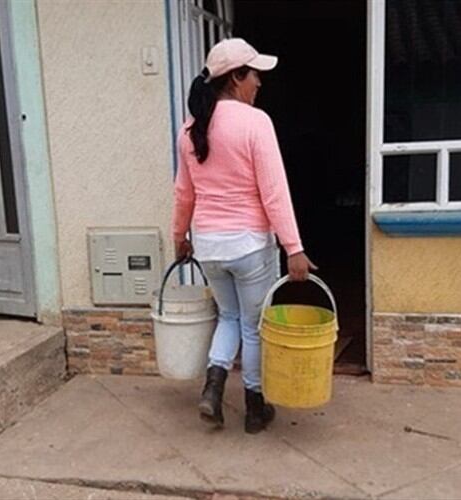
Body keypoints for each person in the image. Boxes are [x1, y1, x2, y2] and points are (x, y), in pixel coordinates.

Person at [171, 38, 316, 434]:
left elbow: (184, 192)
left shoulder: (190, 129)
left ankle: (213, 391)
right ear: (236, 77)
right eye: (254, 75)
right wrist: (294, 248)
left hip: (210, 245)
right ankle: (255, 408)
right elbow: (274, 191)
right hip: (250, 245)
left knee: (229, 318)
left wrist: (179, 236)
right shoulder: (256, 123)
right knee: (252, 326)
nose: (259, 83)